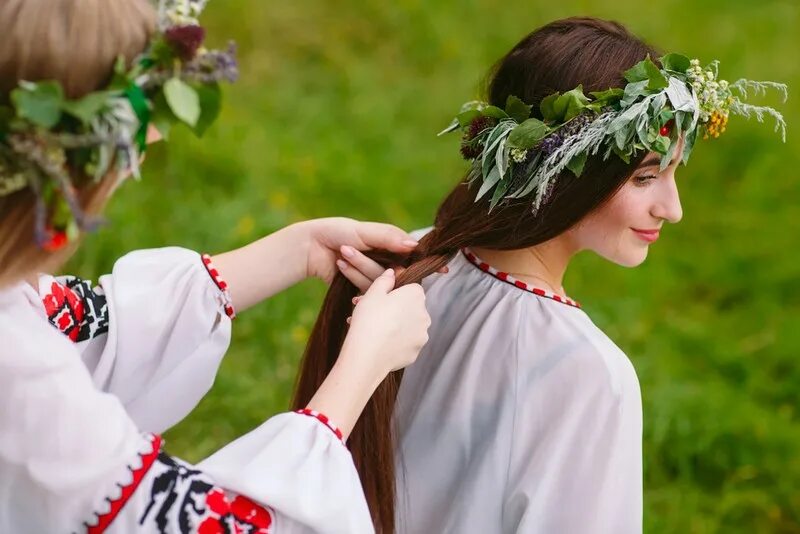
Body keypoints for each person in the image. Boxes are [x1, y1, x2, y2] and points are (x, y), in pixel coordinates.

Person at [291, 16, 787, 534]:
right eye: (645, 177)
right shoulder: (588, 375)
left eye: (674, 173)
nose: (673, 208)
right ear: (566, 170)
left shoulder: (413, 264)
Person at [0, 0, 432, 532]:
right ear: (59, 167)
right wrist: (360, 370)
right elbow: (200, 523)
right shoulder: (21, 380)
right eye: (133, 134)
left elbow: (73, 328)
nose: (149, 146)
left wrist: (299, 249)